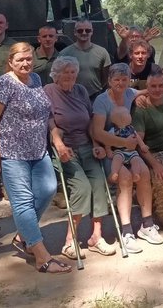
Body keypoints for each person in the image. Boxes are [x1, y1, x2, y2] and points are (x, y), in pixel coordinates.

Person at [0, 43, 69, 273]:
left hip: (38, 150)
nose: (26, 63)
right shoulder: (4, 84)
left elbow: (45, 114)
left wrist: (55, 137)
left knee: (49, 189)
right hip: (11, 152)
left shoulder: (36, 80)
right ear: (10, 61)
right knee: (23, 202)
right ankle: (41, 256)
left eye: (29, 59)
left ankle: (25, 235)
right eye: (20, 59)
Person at [45, 56, 116, 260]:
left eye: (73, 73)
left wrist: (96, 144)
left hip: (86, 145)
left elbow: (90, 121)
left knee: (99, 185)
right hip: (65, 148)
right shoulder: (48, 91)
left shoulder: (81, 91)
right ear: (56, 75)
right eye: (66, 72)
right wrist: (59, 145)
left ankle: (96, 237)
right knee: (82, 187)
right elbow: (50, 123)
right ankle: (70, 241)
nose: (70, 76)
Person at [91, 64, 162, 254]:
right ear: (109, 81)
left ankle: (147, 224)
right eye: (116, 80)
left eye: (124, 79)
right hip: (110, 151)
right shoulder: (101, 101)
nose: (120, 83)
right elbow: (96, 132)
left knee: (145, 173)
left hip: (129, 149)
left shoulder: (130, 93)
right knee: (125, 178)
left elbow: (147, 89)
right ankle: (126, 230)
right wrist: (122, 142)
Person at [131, 71, 163, 230]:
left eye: (161, 86)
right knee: (160, 172)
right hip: (152, 152)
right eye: (153, 86)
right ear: (146, 87)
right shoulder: (141, 109)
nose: (157, 89)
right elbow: (138, 144)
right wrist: (155, 164)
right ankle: (162, 212)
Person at [61, 19, 112, 99]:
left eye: (87, 30)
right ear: (75, 32)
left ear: (92, 31)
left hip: (95, 96)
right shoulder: (64, 54)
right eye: (80, 30)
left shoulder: (102, 52)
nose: (84, 33)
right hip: (71, 97)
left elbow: (106, 77)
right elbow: (60, 77)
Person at [108, 106, 149, 183]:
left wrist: (142, 145)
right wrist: (108, 150)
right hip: (119, 151)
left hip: (132, 151)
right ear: (123, 119)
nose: (130, 115)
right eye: (128, 114)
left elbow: (137, 137)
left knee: (136, 160)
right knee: (117, 159)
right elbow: (108, 140)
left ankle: (136, 173)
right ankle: (114, 172)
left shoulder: (131, 128)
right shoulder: (113, 130)